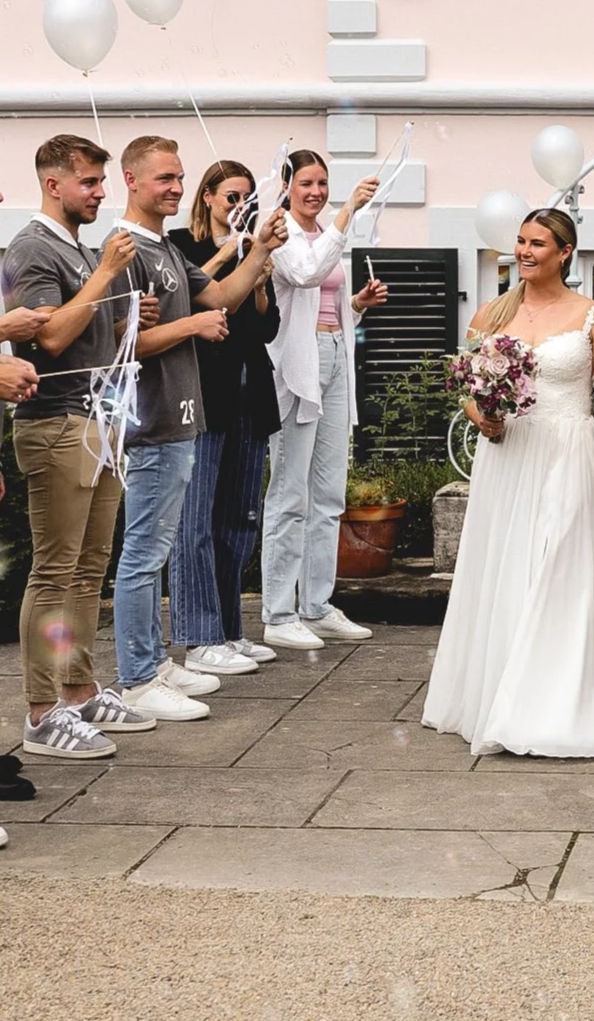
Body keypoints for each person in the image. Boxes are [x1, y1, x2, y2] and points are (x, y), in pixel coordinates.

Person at [423, 208, 594, 757]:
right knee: (508, 566)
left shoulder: (593, 316)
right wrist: (479, 416)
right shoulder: (492, 313)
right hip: (509, 452)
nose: (524, 251)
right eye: (520, 241)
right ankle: (498, 693)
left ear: (565, 253)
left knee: (561, 568)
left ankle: (556, 705)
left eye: (538, 243)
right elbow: (465, 384)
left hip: (567, 448)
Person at [108, 136, 285, 722]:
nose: (176, 187)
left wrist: (258, 251)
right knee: (146, 553)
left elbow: (225, 298)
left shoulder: (166, 250)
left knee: (161, 545)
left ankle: (155, 663)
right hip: (153, 419)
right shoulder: (126, 248)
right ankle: (137, 675)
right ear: (132, 180)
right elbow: (119, 343)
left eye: (180, 177)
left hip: (186, 413)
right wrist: (191, 326)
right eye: (165, 178)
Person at [2, 140, 159, 759]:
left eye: (99, 182)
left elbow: (87, 332)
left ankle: (79, 687)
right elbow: (53, 341)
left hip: (98, 421)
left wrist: (125, 321)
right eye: (90, 183)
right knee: (54, 571)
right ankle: (42, 713)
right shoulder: (32, 249)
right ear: (52, 184)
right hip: (57, 424)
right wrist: (106, 276)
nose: (100, 193)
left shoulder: (79, 248)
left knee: (89, 568)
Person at [262, 152, 386, 650]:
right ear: (288, 186)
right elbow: (305, 276)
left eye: (323, 184)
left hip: (335, 350)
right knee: (290, 492)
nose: (316, 191)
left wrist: (357, 304)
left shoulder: (324, 233)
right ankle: (277, 611)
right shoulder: (279, 231)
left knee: (330, 490)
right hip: (299, 359)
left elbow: (327, 295)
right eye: (306, 183)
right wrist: (347, 211)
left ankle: (316, 604)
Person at [168, 160, 282, 676]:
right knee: (196, 518)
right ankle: (197, 635)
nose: (240, 207)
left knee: (239, 516)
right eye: (232, 197)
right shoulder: (180, 245)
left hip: (248, 393)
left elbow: (266, 328)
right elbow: (187, 299)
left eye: (246, 198)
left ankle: (230, 629)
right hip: (202, 393)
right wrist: (230, 256)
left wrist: (259, 278)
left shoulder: (254, 250)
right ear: (208, 197)